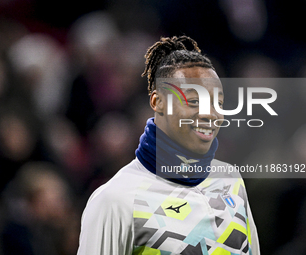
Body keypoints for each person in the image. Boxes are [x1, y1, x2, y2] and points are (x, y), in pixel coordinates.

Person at [77, 35, 260, 255]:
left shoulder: (231, 180)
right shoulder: (115, 200)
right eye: (194, 101)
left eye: (217, 102)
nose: (210, 114)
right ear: (158, 102)